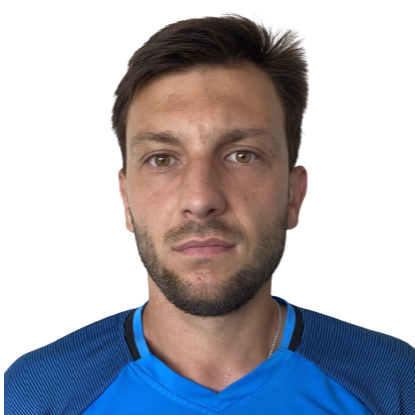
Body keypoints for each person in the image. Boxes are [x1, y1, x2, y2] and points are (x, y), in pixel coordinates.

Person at [4, 12, 414, 415]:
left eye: (242, 155)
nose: (200, 199)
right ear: (125, 200)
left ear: (294, 195)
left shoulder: (397, 382)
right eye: (162, 159)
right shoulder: (33, 394)